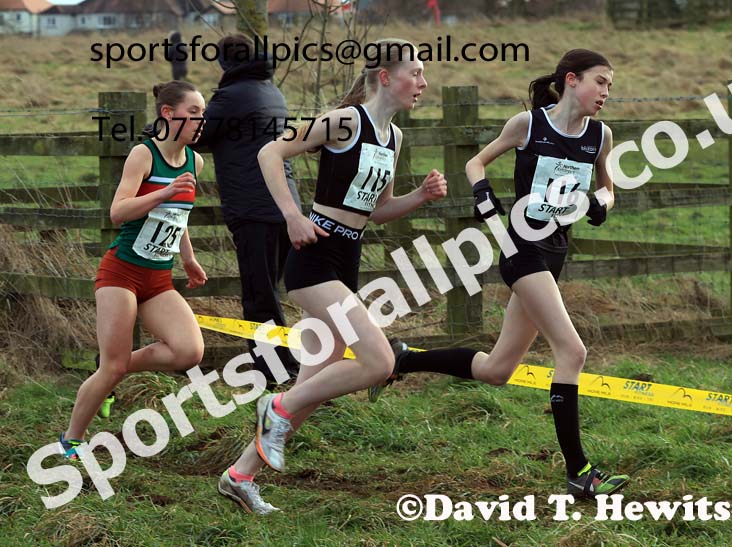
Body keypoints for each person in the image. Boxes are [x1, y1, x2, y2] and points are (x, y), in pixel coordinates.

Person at [369, 49, 630, 498]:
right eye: (601, 82)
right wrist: (484, 194)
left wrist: (597, 204)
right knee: (573, 352)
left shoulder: (599, 136)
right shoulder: (528, 125)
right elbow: (476, 162)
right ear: (572, 80)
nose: (607, 92)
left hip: (555, 252)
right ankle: (579, 472)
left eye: (610, 85)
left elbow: (609, 189)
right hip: (521, 250)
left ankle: (404, 359)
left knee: (497, 369)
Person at [216, 38, 448, 515]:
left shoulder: (393, 137)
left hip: (348, 258)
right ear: (385, 77)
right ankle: (274, 407)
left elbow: (377, 210)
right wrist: (292, 217)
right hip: (314, 258)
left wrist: (419, 197)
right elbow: (268, 154)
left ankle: (240, 475)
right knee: (379, 362)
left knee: (313, 387)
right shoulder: (345, 121)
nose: (423, 83)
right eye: (416, 73)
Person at [59, 81, 208, 459]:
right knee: (110, 367)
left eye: (202, 114)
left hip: (158, 278)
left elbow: (179, 214)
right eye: (193, 114)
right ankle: (71, 441)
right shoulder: (144, 155)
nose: (200, 121)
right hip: (121, 273)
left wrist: (188, 257)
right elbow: (118, 211)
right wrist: (162, 192)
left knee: (189, 352)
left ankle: (117, 366)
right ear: (168, 114)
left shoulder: (195, 160)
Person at [192, 33, 302, 385]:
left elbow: (196, 134)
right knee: (269, 291)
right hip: (283, 205)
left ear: (225, 62)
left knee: (259, 297)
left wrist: (158, 126)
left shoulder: (232, 96)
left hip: (254, 209)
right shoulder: (271, 90)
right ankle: (287, 367)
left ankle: (276, 374)